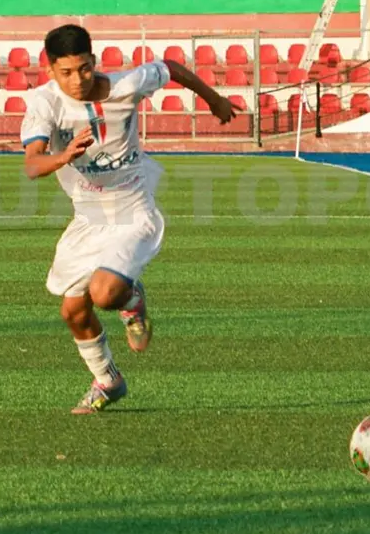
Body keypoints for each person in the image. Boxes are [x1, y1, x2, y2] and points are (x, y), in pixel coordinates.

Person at [20, 24, 236, 414]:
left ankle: (132, 300)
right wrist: (65, 155)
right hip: (87, 218)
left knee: (104, 293)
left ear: (94, 61)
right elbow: (33, 164)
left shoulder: (127, 84)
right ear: (50, 69)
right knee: (72, 312)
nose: (78, 80)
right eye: (66, 72)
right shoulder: (43, 103)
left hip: (134, 210)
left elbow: (171, 67)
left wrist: (215, 100)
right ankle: (108, 380)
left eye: (84, 68)